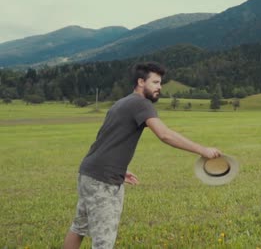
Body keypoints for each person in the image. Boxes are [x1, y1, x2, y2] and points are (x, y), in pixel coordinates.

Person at [63, 62, 221, 249]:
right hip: (102, 180)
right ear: (140, 82)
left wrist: (120, 168)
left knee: (79, 227)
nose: (159, 88)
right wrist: (202, 150)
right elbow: (165, 134)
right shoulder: (141, 103)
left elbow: (105, 140)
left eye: (160, 83)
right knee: (103, 241)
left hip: (89, 173)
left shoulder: (123, 102)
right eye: (155, 82)